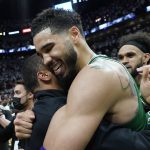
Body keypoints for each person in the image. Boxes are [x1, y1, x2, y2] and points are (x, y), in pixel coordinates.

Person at [14, 8, 150, 150]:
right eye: (41, 55)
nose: (46, 60)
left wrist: (40, 123)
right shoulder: (102, 65)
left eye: (49, 48)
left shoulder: (96, 75)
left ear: (74, 34)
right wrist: (29, 114)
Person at [21, 54, 66, 150]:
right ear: (44, 75)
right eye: (55, 66)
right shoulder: (66, 107)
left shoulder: (33, 115)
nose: (62, 69)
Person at [118, 32, 150, 105]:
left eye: (130, 55)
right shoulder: (120, 90)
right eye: (120, 58)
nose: (124, 61)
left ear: (146, 57)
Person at [0, 80, 33, 150]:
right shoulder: (16, 118)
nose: (14, 96)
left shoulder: (41, 117)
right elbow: (2, 137)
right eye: (14, 93)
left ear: (30, 94)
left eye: (17, 93)